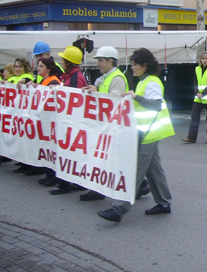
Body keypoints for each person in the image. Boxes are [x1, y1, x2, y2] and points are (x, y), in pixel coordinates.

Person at [98, 48, 174, 223]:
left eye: (134, 65)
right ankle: (164, 202)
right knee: (154, 170)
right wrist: (133, 97)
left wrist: (135, 97)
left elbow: (155, 105)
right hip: (148, 132)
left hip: (148, 133)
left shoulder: (152, 82)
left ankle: (118, 209)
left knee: (135, 171)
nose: (132, 68)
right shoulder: (144, 81)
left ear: (144, 65)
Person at [79, 46, 151, 201]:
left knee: (113, 159)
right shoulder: (105, 77)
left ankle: (139, 185)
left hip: (112, 127)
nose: (98, 63)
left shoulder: (116, 78)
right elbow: (101, 88)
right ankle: (135, 185)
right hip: (105, 126)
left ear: (110, 61)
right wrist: (95, 88)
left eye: (101, 60)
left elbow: (113, 104)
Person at [49, 46, 87, 195]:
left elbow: (73, 101)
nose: (61, 62)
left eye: (63, 60)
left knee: (69, 152)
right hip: (71, 121)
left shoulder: (74, 78)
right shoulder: (70, 76)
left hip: (72, 121)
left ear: (68, 62)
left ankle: (66, 183)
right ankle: (69, 182)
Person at [182, 52, 207, 144]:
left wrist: (203, 94)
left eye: (206, 59)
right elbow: (195, 82)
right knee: (194, 116)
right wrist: (197, 93)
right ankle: (192, 137)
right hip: (198, 97)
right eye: (203, 59)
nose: (205, 60)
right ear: (200, 60)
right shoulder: (197, 69)